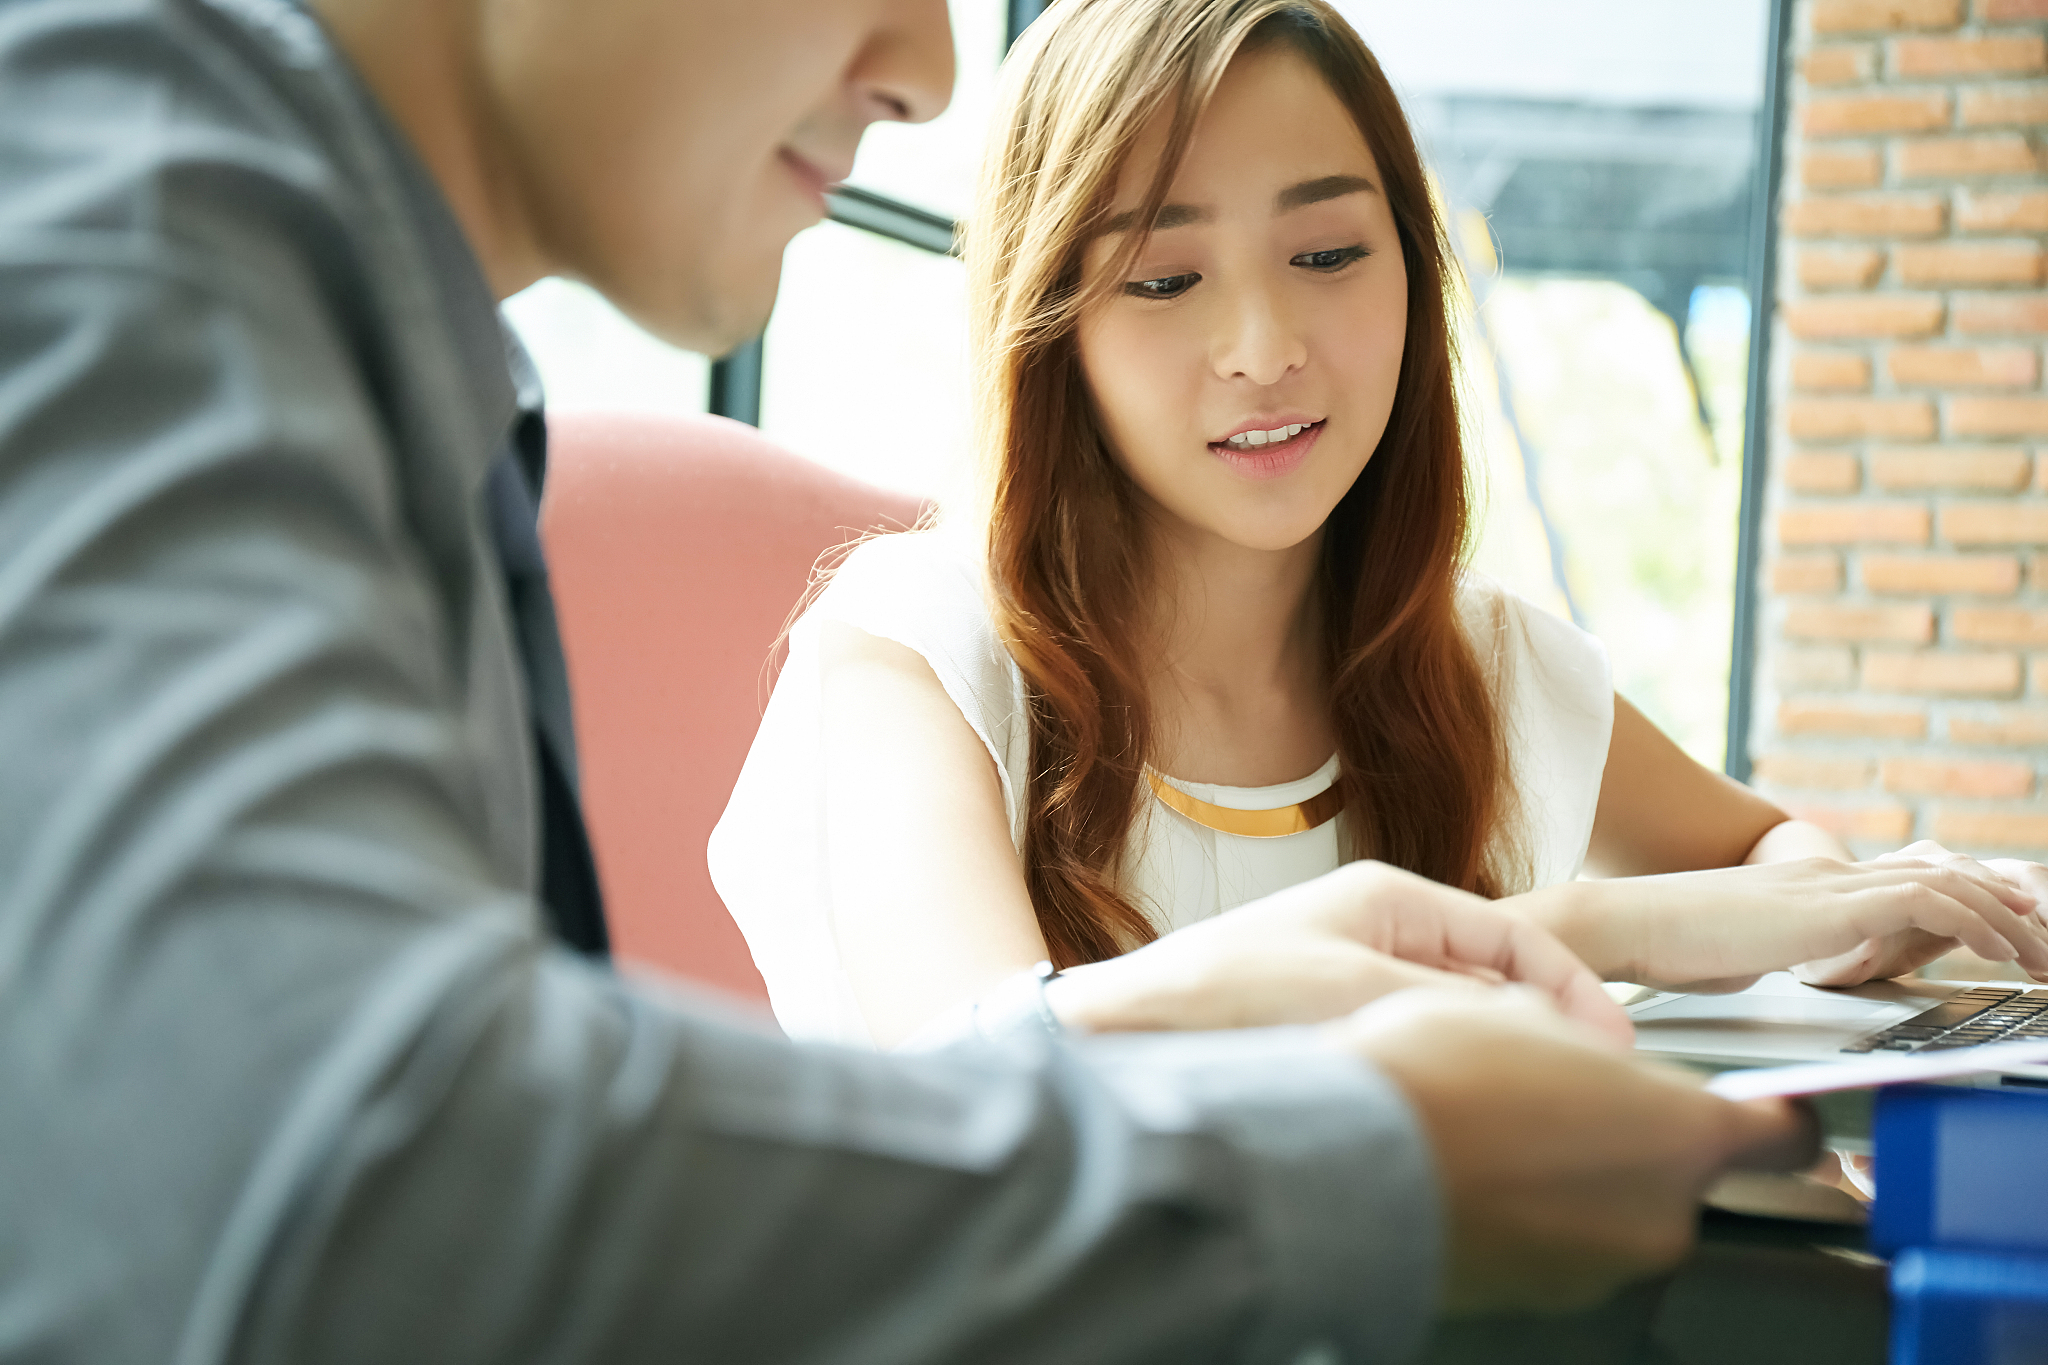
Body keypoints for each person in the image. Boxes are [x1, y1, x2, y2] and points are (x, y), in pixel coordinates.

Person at [0, 0, 1833, 1357]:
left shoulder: (396, 364)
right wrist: (1371, 1160)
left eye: (1332, 252)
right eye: (1159, 276)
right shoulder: (129, 226)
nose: (933, 66)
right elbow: (359, 1189)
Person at [711, 0, 2048, 1049]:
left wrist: (1820, 915)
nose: (1263, 345)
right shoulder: (916, 652)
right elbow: (989, 1073)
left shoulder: (1477, 658)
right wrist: (1588, 930)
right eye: (1166, 276)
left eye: (1330, 254)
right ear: (1050, 328)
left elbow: (1765, 853)